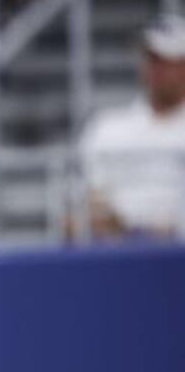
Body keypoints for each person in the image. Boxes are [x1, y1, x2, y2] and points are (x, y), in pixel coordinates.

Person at [79, 14, 185, 239]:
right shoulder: (106, 129)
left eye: (165, 59)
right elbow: (93, 202)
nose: (155, 68)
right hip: (122, 257)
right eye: (150, 58)